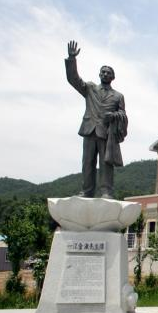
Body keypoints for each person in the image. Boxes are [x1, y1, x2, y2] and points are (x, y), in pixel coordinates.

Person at [65, 40, 128, 198]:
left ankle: (106, 191)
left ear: (113, 77)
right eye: (103, 72)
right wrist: (72, 59)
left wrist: (114, 115)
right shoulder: (90, 88)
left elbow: (123, 114)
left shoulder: (118, 96)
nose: (105, 74)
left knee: (106, 163)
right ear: (99, 74)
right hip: (89, 129)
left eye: (108, 73)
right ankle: (87, 191)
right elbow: (73, 79)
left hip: (106, 133)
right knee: (87, 162)